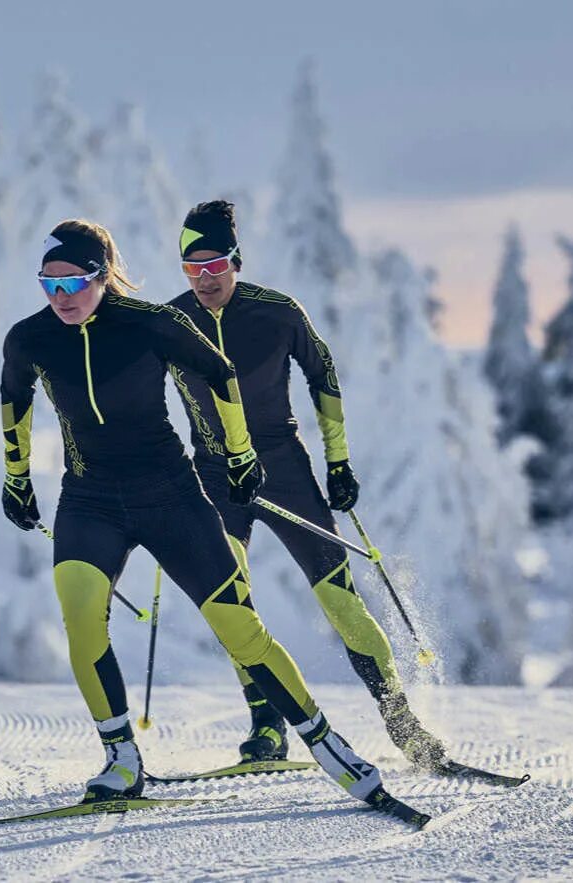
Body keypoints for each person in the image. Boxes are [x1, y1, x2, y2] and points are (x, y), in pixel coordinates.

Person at [0, 218, 396, 808]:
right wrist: (16, 477)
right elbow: (15, 400)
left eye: (74, 283)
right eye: (48, 285)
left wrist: (239, 453)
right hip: (90, 498)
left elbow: (220, 372)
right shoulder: (29, 338)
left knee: (239, 626)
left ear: (103, 276)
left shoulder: (152, 323)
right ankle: (121, 758)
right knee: (81, 616)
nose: (61, 298)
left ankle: (324, 740)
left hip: (172, 497)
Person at [167, 200, 448, 772]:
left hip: (283, 469)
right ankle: (266, 725)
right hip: (215, 476)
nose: (205, 278)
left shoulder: (277, 312)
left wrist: (338, 464)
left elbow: (323, 375)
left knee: (339, 597)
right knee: (231, 602)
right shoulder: (170, 322)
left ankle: (400, 721)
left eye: (215, 263)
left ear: (236, 260)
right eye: (192, 267)